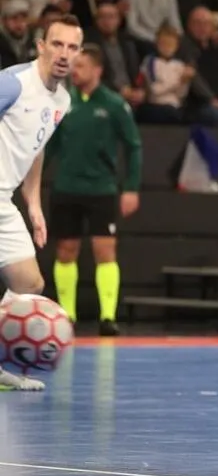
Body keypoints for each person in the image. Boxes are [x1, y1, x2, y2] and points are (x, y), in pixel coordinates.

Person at [0, 14, 82, 392]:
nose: (64, 53)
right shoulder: (13, 83)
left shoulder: (62, 98)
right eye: (57, 44)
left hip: (4, 198)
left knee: (29, 281)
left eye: (72, 47)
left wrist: (32, 203)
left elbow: (37, 147)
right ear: (41, 46)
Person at [48, 44, 142, 337]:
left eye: (81, 66)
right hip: (66, 186)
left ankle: (107, 316)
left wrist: (131, 188)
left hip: (100, 188)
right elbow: (48, 145)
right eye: (73, 66)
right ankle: (67, 316)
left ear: (97, 70)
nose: (75, 71)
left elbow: (133, 146)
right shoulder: (62, 102)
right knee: (66, 250)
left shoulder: (114, 104)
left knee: (105, 250)